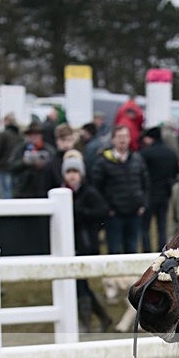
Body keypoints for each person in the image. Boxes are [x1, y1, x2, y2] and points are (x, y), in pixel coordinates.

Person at [61, 151, 111, 332]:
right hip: (68, 245)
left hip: (85, 244)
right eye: (68, 172)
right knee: (78, 284)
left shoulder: (89, 192)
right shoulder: (61, 193)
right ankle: (103, 318)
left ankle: (86, 323)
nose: (72, 175)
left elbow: (101, 212)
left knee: (80, 283)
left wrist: (79, 211)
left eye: (75, 171)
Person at [91, 124, 150, 253]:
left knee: (132, 248)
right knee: (114, 249)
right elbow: (96, 188)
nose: (123, 140)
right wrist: (107, 208)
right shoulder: (103, 161)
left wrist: (143, 204)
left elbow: (145, 184)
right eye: (119, 137)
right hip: (114, 215)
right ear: (113, 139)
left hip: (135, 213)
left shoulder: (137, 159)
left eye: (125, 136)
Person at [140, 126, 179, 251]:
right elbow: (175, 173)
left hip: (149, 194)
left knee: (145, 227)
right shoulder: (171, 153)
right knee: (162, 227)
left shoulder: (146, 153)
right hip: (165, 193)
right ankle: (161, 251)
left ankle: (146, 250)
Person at [9, 121, 55, 198]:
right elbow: (11, 167)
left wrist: (44, 165)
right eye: (31, 134)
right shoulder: (20, 149)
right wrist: (24, 162)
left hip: (43, 191)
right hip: (23, 192)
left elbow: (54, 168)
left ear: (41, 135)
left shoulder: (49, 150)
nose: (34, 136)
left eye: (37, 134)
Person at [0, 113, 23, 198]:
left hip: (3, 166)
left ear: (6, 121)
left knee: (5, 193)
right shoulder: (20, 136)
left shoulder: (3, 135)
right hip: (16, 168)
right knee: (14, 192)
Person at [43, 123, 76, 193]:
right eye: (63, 140)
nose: (66, 144)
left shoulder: (79, 160)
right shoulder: (51, 164)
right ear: (57, 141)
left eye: (69, 140)